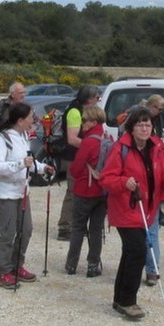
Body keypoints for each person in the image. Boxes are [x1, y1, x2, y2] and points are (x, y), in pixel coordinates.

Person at [99, 106, 164, 320]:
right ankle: (128, 301)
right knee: (137, 250)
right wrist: (123, 182)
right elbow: (106, 178)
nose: (145, 128)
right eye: (140, 124)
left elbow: (163, 172)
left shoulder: (156, 146)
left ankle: (120, 298)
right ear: (131, 127)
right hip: (127, 208)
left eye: (148, 124)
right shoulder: (121, 149)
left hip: (148, 208)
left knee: (130, 252)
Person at [0, 102, 55, 289]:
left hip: (22, 191)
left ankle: (17, 265)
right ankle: (4, 271)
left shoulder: (24, 135)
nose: (33, 121)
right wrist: (21, 164)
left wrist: (42, 168)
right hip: (5, 193)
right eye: (30, 118)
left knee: (26, 230)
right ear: (20, 120)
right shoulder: (2, 139)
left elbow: (29, 161)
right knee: (8, 233)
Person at [66, 105, 109, 277]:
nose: (82, 123)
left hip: (85, 190)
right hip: (102, 191)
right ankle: (93, 265)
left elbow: (75, 169)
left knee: (78, 228)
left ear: (92, 122)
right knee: (96, 230)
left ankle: (72, 264)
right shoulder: (107, 138)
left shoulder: (89, 141)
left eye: (84, 120)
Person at [55, 84, 102, 241]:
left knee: (77, 191)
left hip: (79, 155)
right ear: (89, 99)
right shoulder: (75, 112)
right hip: (73, 156)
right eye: (97, 98)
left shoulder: (78, 109)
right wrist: (94, 145)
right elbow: (72, 138)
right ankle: (65, 227)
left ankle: (74, 225)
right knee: (73, 192)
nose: (98, 100)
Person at [145, 94, 164, 227]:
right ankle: (154, 214)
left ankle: (158, 214)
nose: (161, 112)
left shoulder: (157, 118)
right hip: (148, 155)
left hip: (157, 154)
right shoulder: (143, 117)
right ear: (152, 106)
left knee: (159, 183)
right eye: (159, 109)